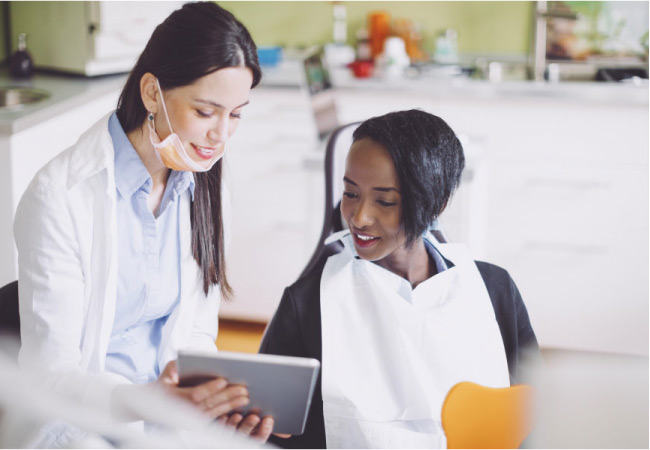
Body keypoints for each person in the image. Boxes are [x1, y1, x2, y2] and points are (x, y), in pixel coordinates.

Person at [13, 2, 273, 446]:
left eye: (236, 114)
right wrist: (148, 400)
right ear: (152, 93)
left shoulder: (204, 188)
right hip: (80, 422)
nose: (221, 135)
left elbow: (195, 332)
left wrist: (214, 404)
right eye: (207, 112)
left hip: (167, 420)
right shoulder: (60, 196)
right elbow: (51, 378)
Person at [260, 110, 540, 448]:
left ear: (437, 203)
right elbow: (274, 433)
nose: (360, 218)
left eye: (385, 201)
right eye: (350, 194)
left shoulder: (494, 292)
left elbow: (535, 415)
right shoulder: (308, 304)